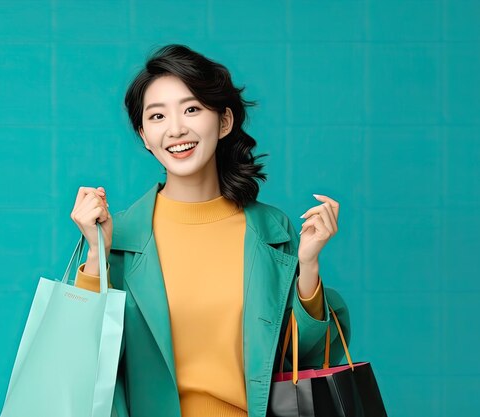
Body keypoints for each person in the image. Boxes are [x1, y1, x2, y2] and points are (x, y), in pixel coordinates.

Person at [69, 44, 350, 417]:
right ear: (143, 135)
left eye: (192, 108)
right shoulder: (116, 236)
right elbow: (78, 370)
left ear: (224, 122)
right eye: (157, 116)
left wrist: (309, 266)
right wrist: (94, 258)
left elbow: (312, 358)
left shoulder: (272, 231)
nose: (176, 129)